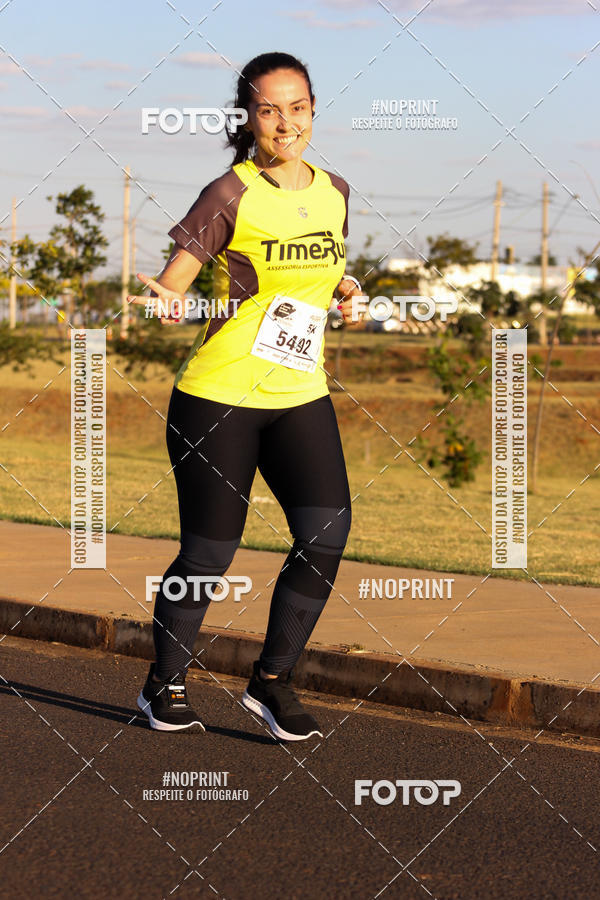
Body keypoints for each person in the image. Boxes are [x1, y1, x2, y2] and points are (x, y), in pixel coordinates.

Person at [130, 51, 362, 741]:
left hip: (300, 394)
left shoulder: (336, 190)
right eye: (268, 109)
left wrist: (344, 291)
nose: (283, 122)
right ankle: (162, 683)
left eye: (296, 107)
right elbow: (176, 278)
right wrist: (167, 301)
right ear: (249, 118)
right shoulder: (229, 193)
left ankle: (271, 682)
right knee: (208, 555)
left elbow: (323, 272)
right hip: (219, 396)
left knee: (327, 534)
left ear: (314, 110)